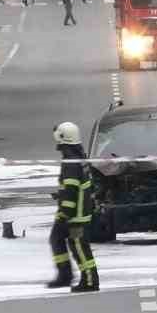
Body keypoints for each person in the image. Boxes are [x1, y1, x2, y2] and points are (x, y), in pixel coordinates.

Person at [49, 121, 99, 292]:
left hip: (75, 213)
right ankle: (66, 276)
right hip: (77, 210)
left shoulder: (71, 160)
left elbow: (71, 189)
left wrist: (65, 212)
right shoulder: (77, 155)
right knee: (58, 238)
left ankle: (90, 281)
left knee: (79, 246)